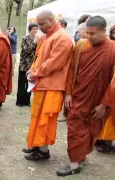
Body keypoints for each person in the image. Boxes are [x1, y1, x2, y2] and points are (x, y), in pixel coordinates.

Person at [57, 16, 115, 176]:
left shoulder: (113, 49)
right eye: (86, 32)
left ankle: (81, 156)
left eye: (92, 33)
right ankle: (74, 163)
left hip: (100, 100)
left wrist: (104, 104)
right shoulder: (82, 45)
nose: (88, 36)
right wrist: (68, 93)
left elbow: (114, 82)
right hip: (79, 97)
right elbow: (71, 70)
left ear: (104, 30)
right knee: (75, 129)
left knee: (92, 130)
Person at [23, 10, 73, 160]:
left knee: (46, 119)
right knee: (37, 117)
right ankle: (36, 145)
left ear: (52, 20)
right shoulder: (47, 37)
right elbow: (38, 58)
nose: (39, 28)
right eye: (38, 24)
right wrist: (31, 70)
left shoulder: (63, 37)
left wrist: (36, 73)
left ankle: (43, 151)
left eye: (42, 24)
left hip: (53, 86)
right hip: (42, 84)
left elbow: (54, 63)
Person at [94, 24, 115, 152]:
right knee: (105, 115)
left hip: (112, 86)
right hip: (105, 84)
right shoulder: (106, 45)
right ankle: (102, 139)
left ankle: (107, 142)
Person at [16, 23, 38, 107]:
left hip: (32, 66)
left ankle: (27, 101)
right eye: (34, 29)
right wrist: (34, 42)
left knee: (29, 84)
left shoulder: (38, 39)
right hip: (24, 65)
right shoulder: (25, 38)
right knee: (22, 84)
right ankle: (20, 101)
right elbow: (26, 51)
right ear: (29, 30)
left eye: (37, 29)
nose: (36, 31)